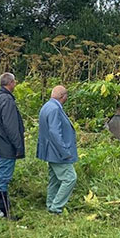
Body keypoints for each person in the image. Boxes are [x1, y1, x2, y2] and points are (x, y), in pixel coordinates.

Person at [0, 72, 24, 219]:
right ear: (10, 83)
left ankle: (2, 208)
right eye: (14, 82)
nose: (15, 84)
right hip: (6, 145)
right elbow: (11, 126)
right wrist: (18, 145)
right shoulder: (7, 100)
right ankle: (2, 211)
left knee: (1, 174)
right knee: (4, 177)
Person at [37, 85, 78, 214]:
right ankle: (56, 206)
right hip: (57, 152)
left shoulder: (47, 106)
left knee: (54, 179)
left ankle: (51, 204)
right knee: (70, 178)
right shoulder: (55, 109)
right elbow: (55, 133)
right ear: (63, 97)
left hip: (49, 151)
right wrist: (65, 152)